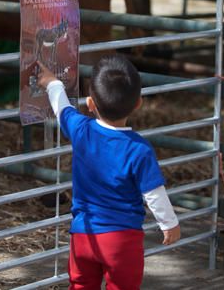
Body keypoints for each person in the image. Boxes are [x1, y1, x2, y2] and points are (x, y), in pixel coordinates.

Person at [36, 54, 181, 290]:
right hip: (122, 241)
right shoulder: (139, 148)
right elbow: (154, 193)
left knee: (81, 285)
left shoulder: (81, 130)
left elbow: (62, 107)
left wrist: (53, 83)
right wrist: (169, 224)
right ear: (138, 103)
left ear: (91, 104)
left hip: (84, 235)